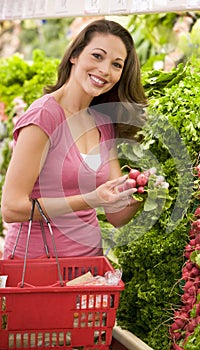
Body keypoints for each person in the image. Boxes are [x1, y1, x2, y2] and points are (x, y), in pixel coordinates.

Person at [1, 19, 148, 259]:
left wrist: (142, 190)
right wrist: (89, 199)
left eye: (116, 65)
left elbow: (115, 213)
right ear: (75, 55)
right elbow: (11, 208)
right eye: (97, 56)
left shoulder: (102, 122)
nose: (105, 70)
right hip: (36, 268)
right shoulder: (44, 117)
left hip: (88, 269)